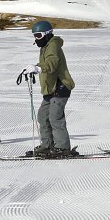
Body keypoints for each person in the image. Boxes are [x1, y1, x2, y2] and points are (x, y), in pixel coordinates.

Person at [25, 20, 77, 158]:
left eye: (39, 35)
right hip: (51, 88)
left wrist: (39, 68)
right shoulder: (45, 47)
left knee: (55, 116)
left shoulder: (53, 45)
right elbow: (46, 63)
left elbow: (52, 63)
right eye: (34, 36)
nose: (36, 39)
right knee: (43, 116)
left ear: (47, 34)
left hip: (61, 86)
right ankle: (47, 145)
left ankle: (62, 147)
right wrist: (34, 68)